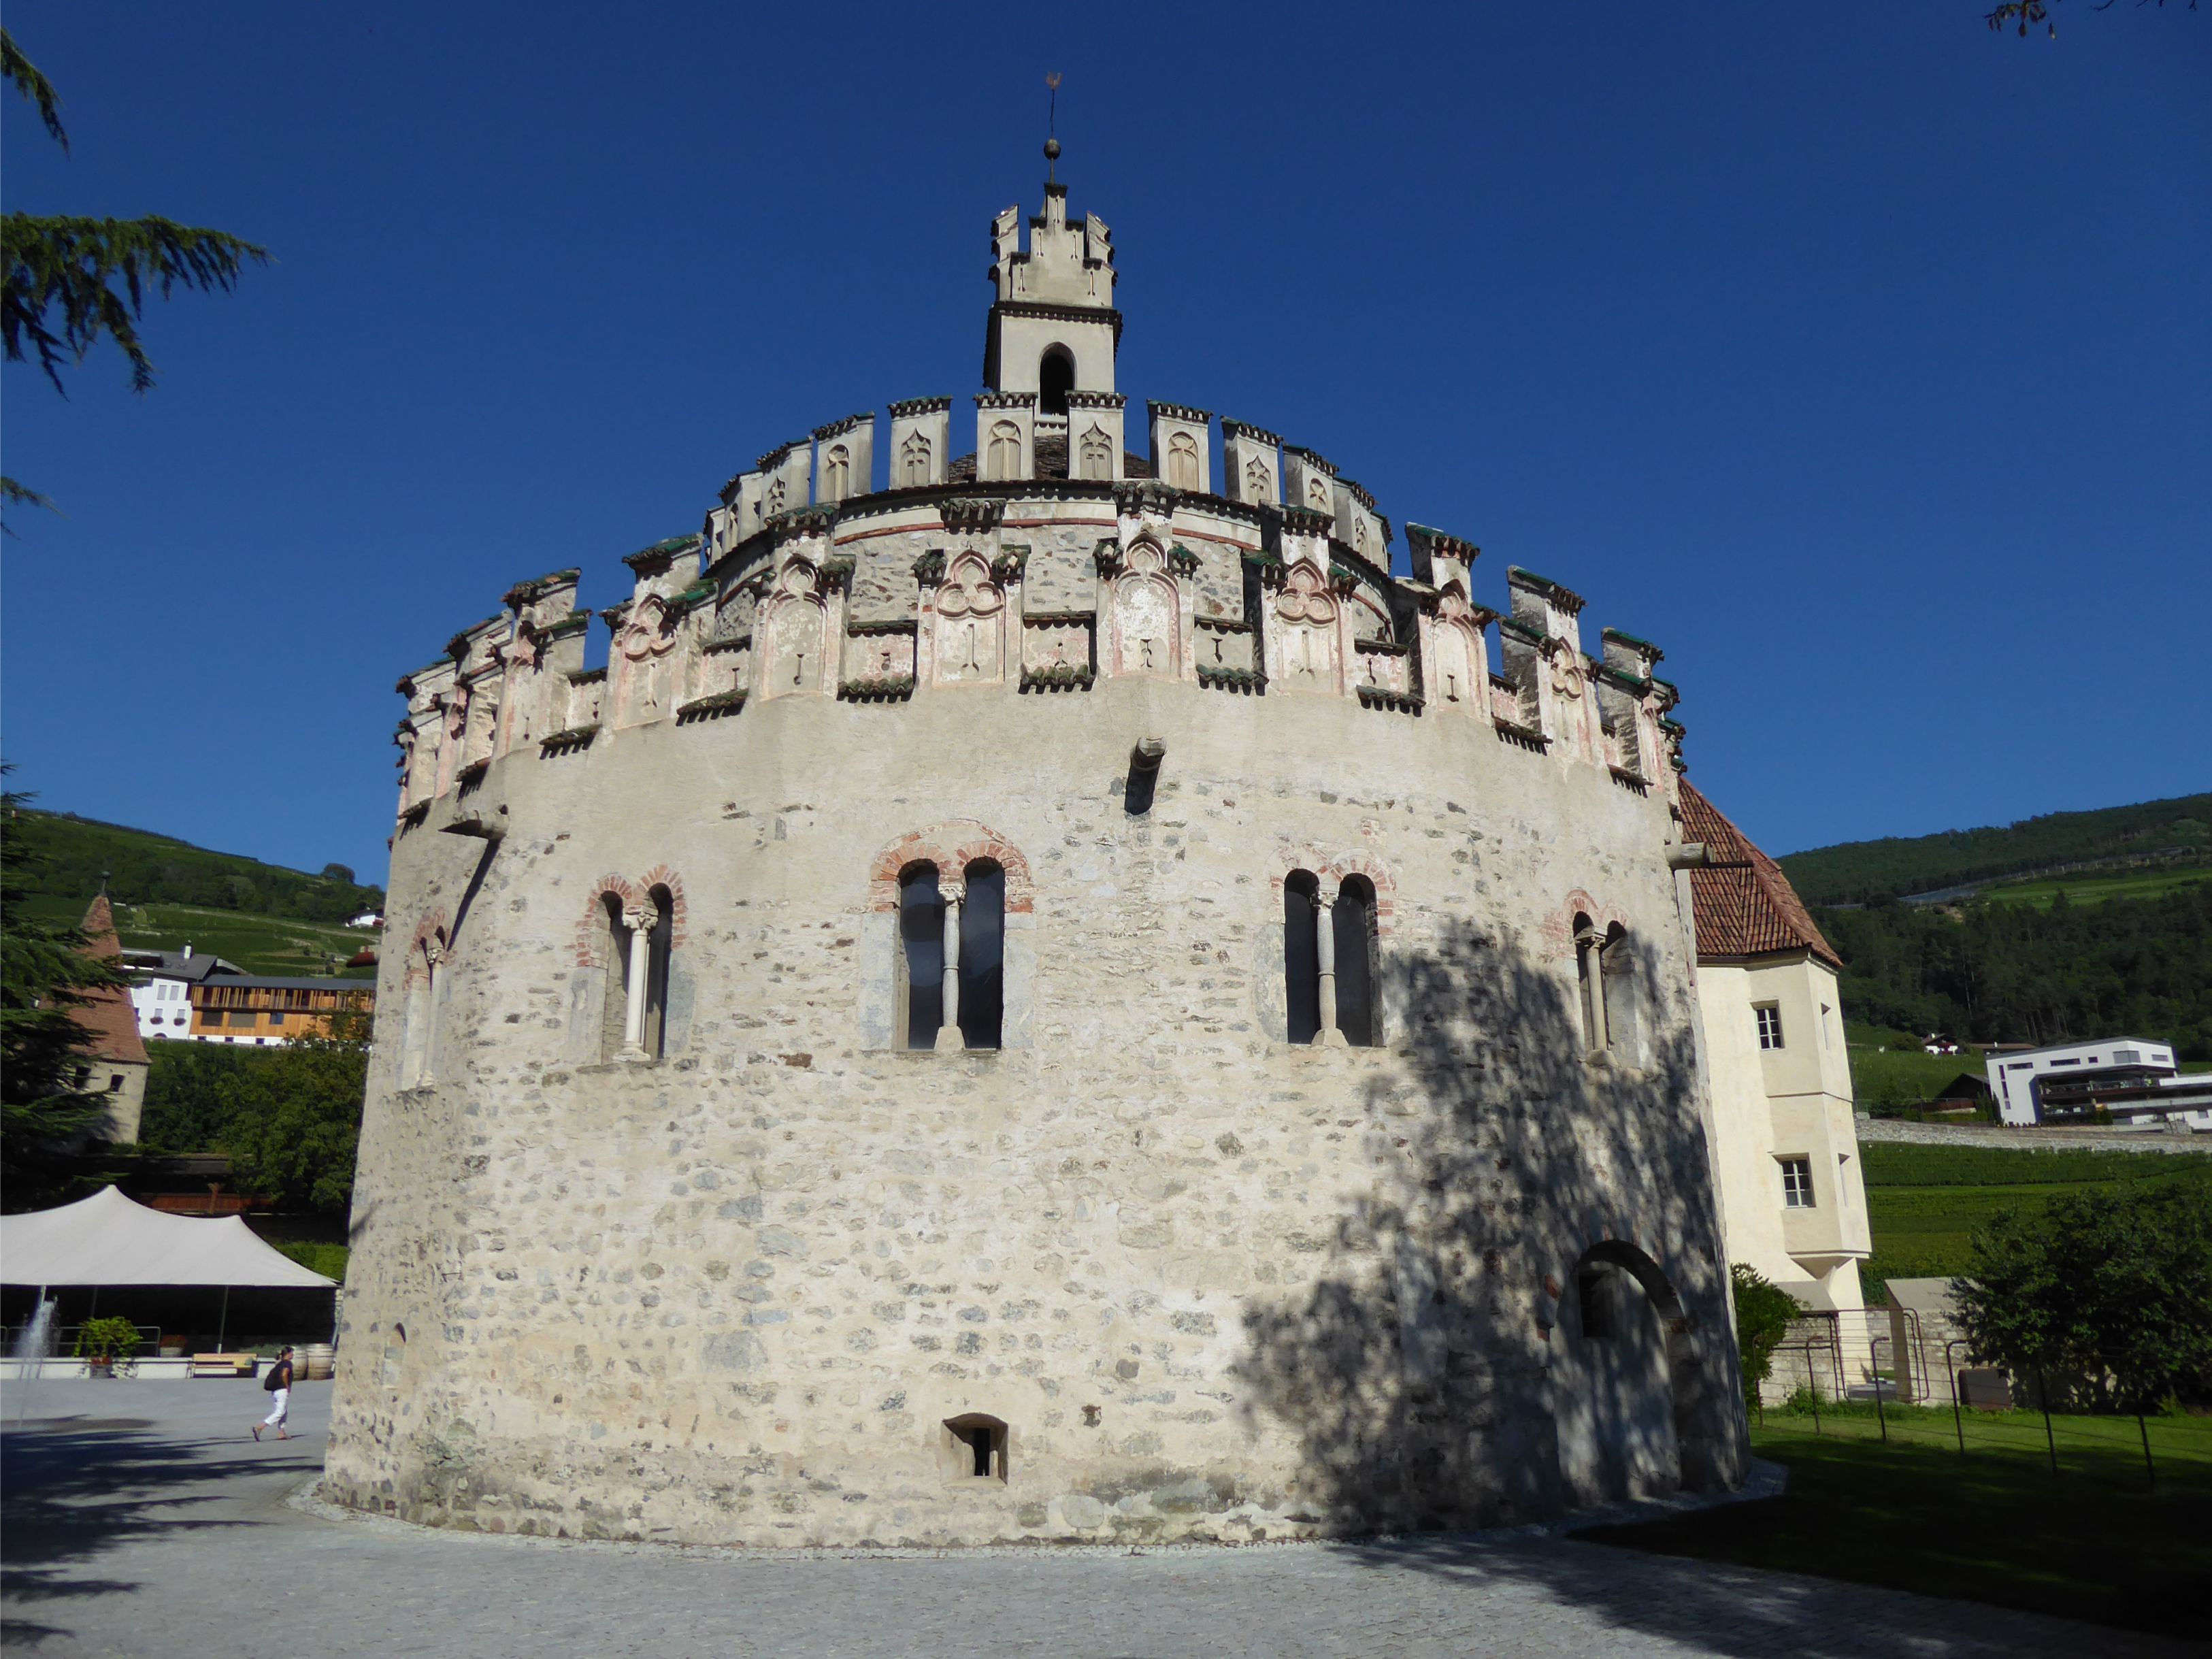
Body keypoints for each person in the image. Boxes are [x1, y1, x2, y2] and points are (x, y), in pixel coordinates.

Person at [253, 1346, 295, 1441]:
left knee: (284, 1411)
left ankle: (281, 1433)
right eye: (292, 1353)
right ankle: (260, 1427)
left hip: (275, 1391)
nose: (293, 1355)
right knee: (280, 1412)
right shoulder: (288, 1363)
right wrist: (287, 1386)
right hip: (282, 1390)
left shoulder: (279, 1364)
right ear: (288, 1354)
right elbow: (284, 1374)